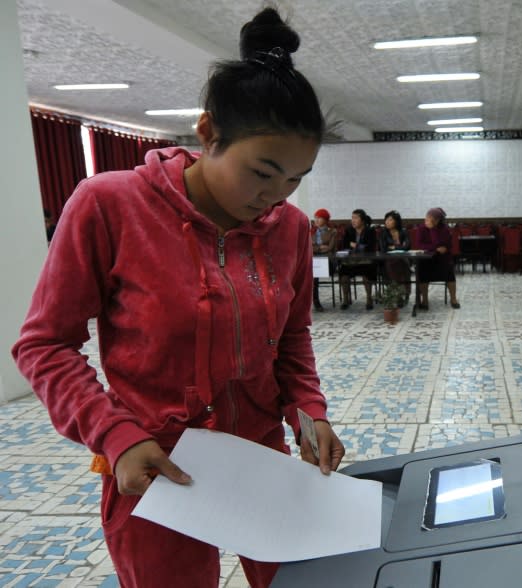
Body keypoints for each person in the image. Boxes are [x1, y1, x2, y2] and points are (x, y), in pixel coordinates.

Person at [12, 8, 345, 588]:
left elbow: (291, 338)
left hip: (261, 459)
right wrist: (115, 435)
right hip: (156, 466)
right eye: (263, 172)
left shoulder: (288, 228)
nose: (276, 197)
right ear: (209, 134)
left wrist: (308, 409)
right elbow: (45, 345)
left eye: (295, 178)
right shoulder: (110, 206)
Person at [413, 207, 460, 309]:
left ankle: (453, 299)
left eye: (431, 218)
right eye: (427, 217)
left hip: (442, 258)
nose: (428, 220)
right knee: (422, 272)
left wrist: (433, 230)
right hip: (426, 258)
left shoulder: (445, 229)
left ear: (438, 220)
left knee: (449, 272)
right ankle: (424, 300)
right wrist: (435, 248)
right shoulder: (421, 228)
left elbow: (445, 245)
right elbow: (420, 245)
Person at [338, 208, 377, 310]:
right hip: (351, 261)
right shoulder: (349, 230)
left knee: (367, 274)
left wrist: (356, 245)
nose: (353, 220)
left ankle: (369, 298)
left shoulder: (370, 231)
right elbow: (344, 245)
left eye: (356, 218)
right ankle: (346, 299)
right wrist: (360, 246)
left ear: (362, 220)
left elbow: (371, 247)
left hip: (366, 261)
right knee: (343, 274)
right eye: (352, 218)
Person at [378, 210, 411, 307]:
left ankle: (403, 293)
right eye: (386, 220)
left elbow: (407, 246)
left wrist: (394, 247)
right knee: (392, 265)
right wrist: (399, 246)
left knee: (403, 263)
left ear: (396, 221)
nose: (387, 222)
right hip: (388, 260)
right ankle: (398, 295)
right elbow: (383, 248)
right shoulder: (383, 233)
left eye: (390, 220)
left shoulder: (404, 231)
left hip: (402, 258)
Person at [311, 208, 336, 312]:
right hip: (313, 260)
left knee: (314, 274)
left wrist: (317, 247)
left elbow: (331, 247)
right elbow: (309, 246)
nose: (316, 220)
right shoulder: (311, 231)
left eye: (319, 218)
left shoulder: (332, 231)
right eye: (315, 218)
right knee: (313, 277)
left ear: (325, 220)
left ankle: (315, 301)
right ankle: (315, 301)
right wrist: (320, 247)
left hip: (327, 260)